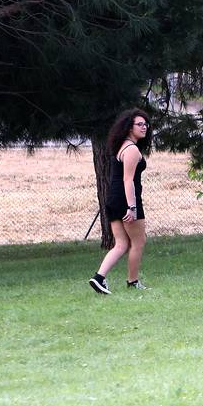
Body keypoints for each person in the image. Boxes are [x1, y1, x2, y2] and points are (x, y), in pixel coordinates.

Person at [88, 109, 152, 294]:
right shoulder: (131, 149)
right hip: (126, 200)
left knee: (122, 244)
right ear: (129, 127)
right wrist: (132, 207)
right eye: (139, 124)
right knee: (139, 241)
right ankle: (133, 282)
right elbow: (128, 180)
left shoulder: (122, 146)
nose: (144, 127)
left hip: (114, 199)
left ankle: (99, 277)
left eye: (145, 124)